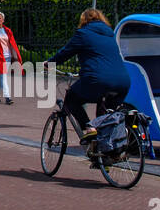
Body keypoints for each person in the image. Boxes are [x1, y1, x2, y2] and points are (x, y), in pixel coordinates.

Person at [49, 9, 131, 142]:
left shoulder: (83, 33)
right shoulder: (110, 35)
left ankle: (89, 128)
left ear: (84, 20)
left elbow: (66, 52)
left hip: (97, 79)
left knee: (71, 100)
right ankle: (104, 154)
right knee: (104, 115)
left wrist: (49, 63)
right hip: (123, 82)